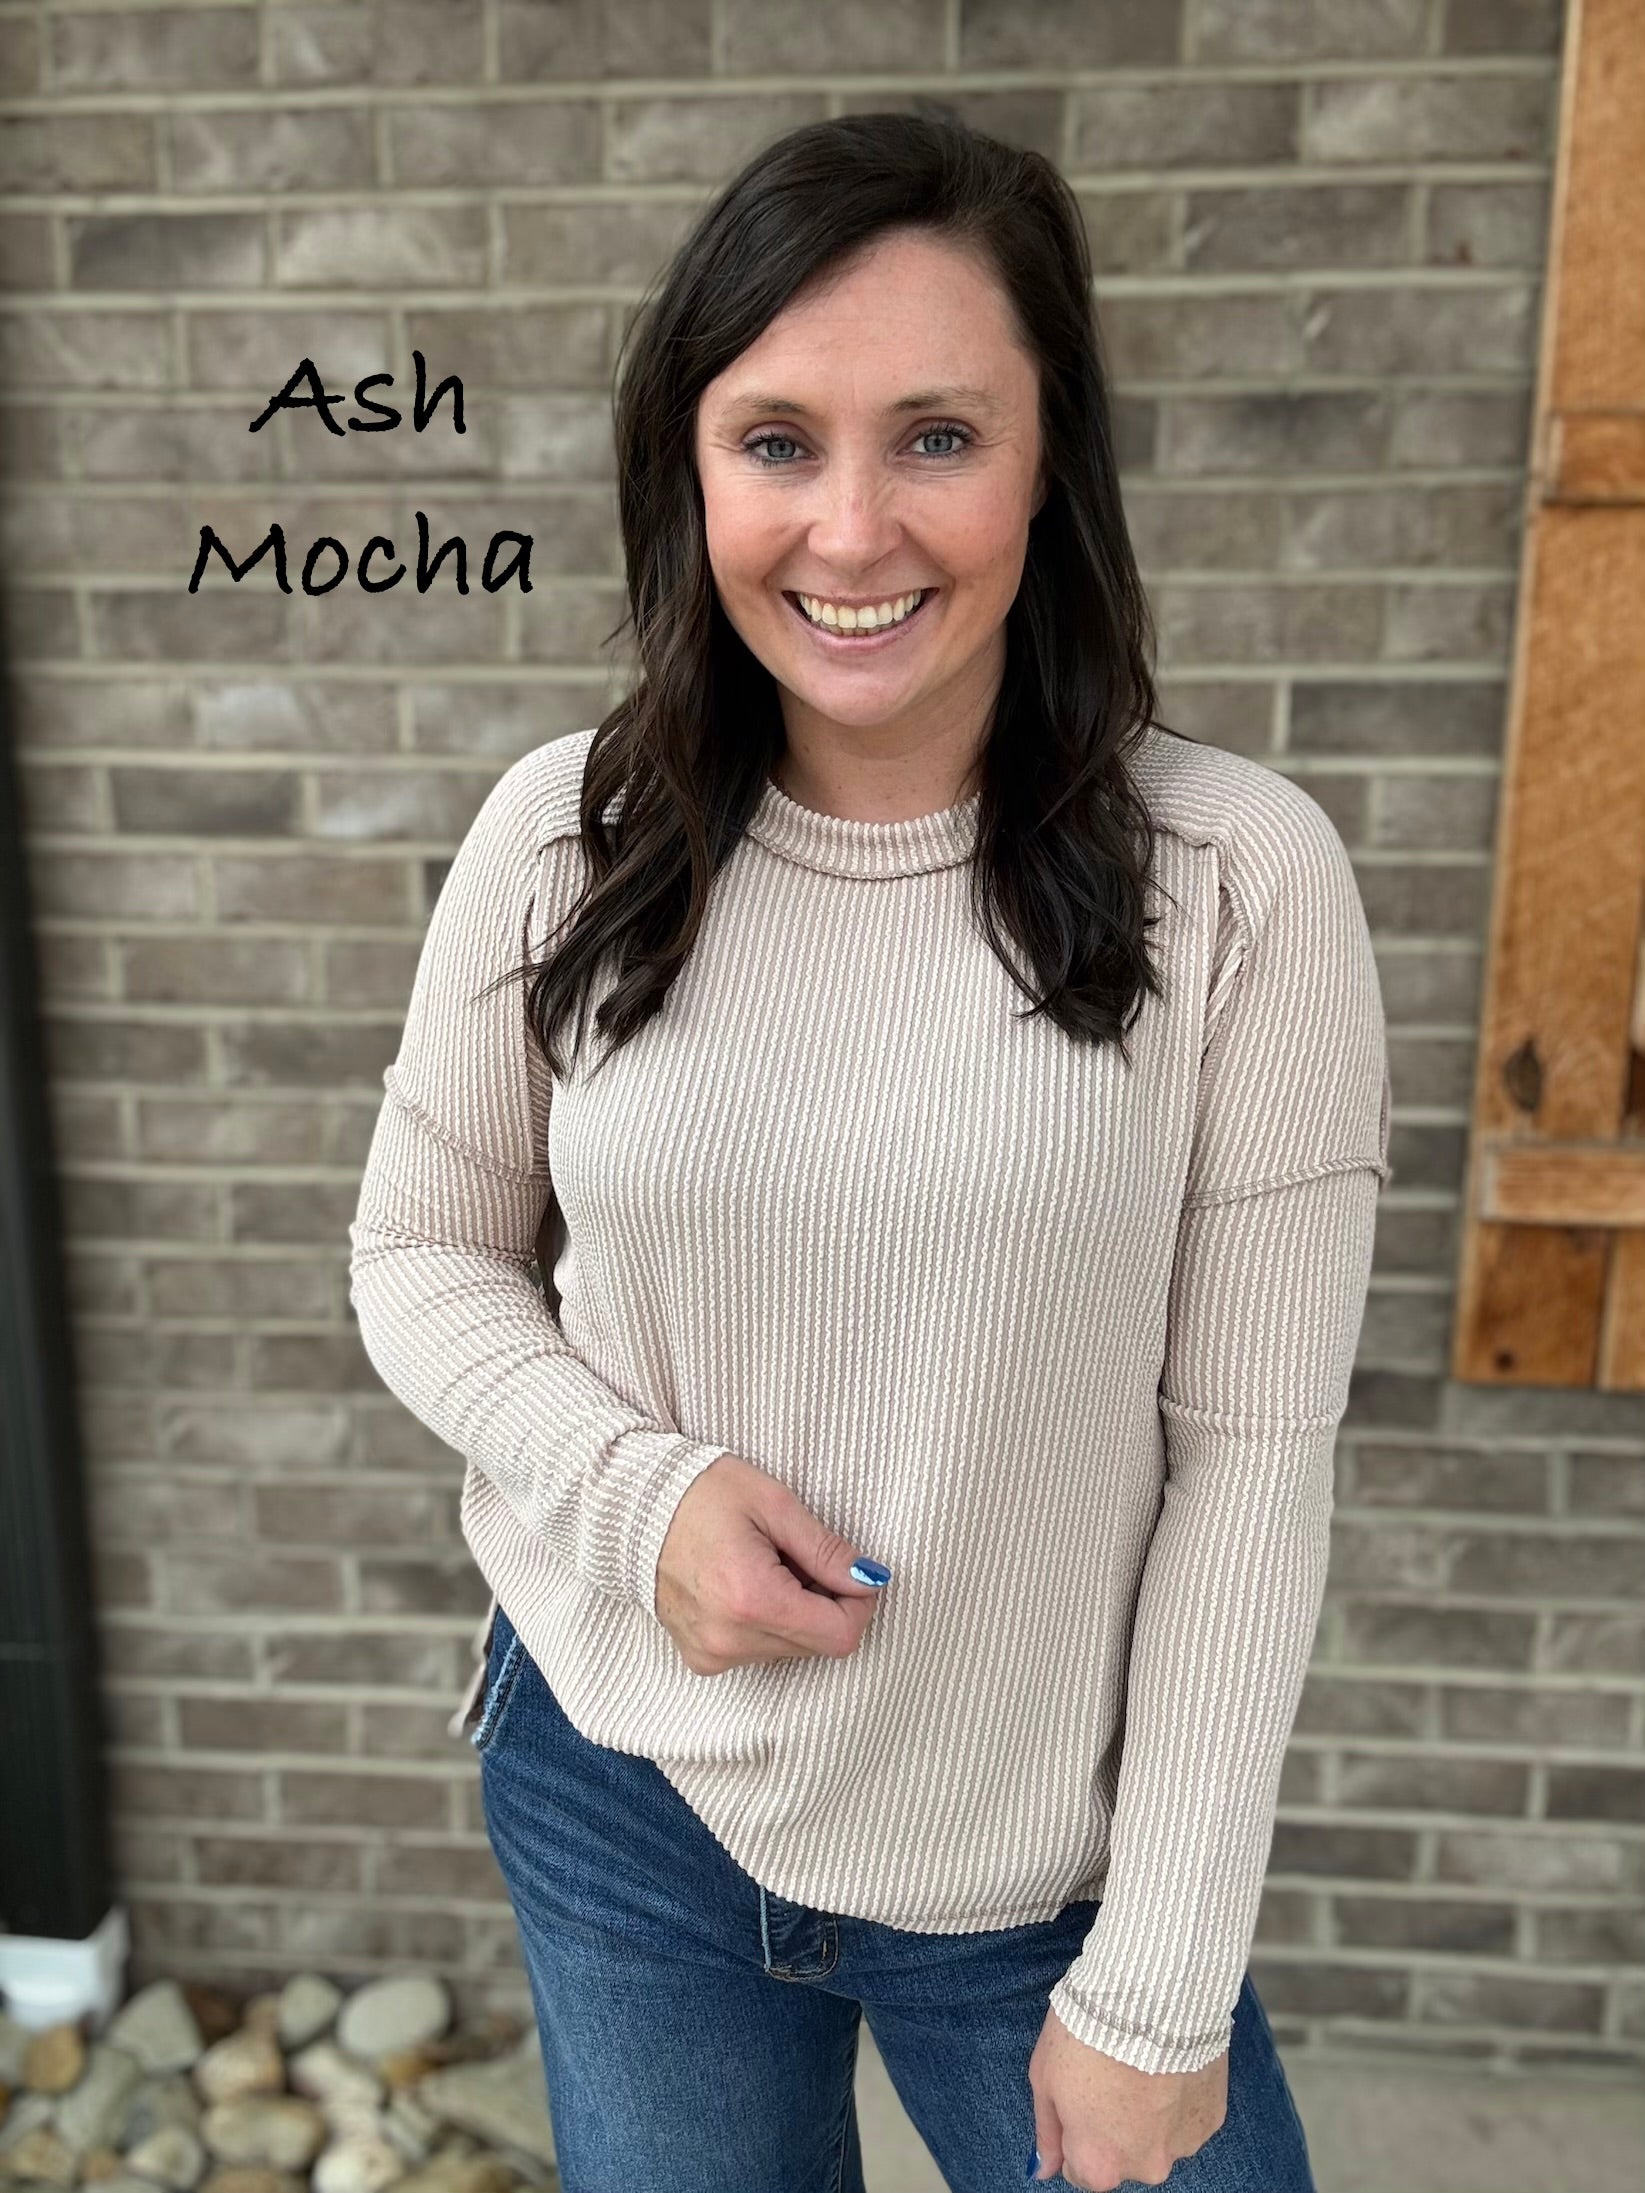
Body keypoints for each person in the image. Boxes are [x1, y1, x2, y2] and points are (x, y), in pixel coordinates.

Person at [348, 107, 1391, 2193]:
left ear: (1048, 457)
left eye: (935, 436)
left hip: (1037, 1869)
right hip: (622, 1793)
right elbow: (418, 1253)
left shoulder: (1235, 879)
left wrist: (1157, 1983)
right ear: (688, 465)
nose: (848, 530)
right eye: (775, 441)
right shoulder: (565, 835)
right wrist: (638, 1493)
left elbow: (1254, 1468)